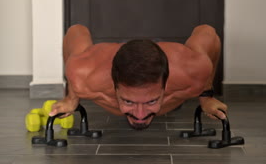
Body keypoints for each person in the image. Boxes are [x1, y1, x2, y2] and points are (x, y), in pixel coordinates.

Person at [50, 24, 228, 130]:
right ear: (115, 86)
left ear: (166, 83)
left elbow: (207, 33)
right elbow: (76, 32)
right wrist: (71, 98)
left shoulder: (193, 71)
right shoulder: (83, 75)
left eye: (151, 101)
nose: (140, 115)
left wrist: (206, 97)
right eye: (128, 101)